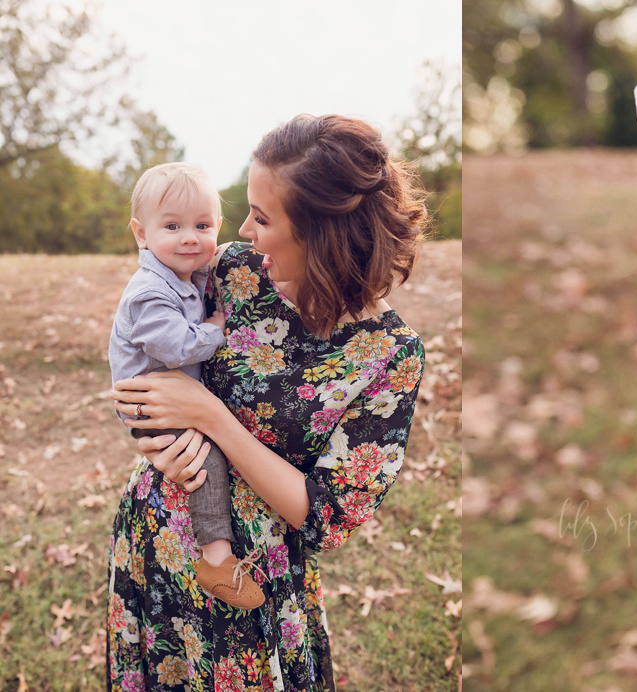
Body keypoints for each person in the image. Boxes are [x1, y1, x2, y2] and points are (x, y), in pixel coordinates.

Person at [105, 114, 428, 690]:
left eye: (262, 217)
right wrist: (155, 442)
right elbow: (145, 335)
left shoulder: (388, 356)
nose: (245, 233)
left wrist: (212, 419)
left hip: (254, 578)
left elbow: (325, 513)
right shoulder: (233, 272)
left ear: (319, 232)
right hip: (156, 541)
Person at [109, 162, 264, 611]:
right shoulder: (149, 291)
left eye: (202, 225)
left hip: (168, 395)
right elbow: (175, 346)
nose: (190, 237)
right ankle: (217, 556)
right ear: (141, 233)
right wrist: (215, 329)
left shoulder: (186, 276)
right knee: (204, 457)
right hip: (151, 403)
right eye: (172, 226)